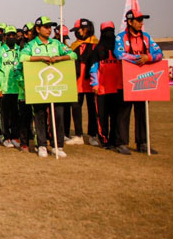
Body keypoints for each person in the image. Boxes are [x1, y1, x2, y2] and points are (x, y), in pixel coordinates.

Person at [20, 16, 77, 158]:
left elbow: (73, 54)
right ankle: (42, 145)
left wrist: (59, 58)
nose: (49, 30)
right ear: (38, 29)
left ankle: (58, 145)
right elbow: (22, 57)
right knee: (39, 115)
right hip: (39, 87)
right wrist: (40, 58)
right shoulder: (32, 45)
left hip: (55, 87)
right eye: (45, 27)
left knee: (57, 115)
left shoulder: (57, 44)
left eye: (50, 27)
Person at [114, 9, 162, 155]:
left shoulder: (146, 37)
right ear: (129, 21)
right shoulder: (120, 37)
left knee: (143, 112)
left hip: (143, 81)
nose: (141, 23)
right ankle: (121, 143)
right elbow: (119, 54)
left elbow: (159, 53)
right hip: (125, 81)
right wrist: (138, 59)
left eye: (142, 20)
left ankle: (143, 142)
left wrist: (148, 58)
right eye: (138, 20)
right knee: (123, 113)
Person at [90, 21, 126, 153]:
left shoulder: (119, 49)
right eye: (107, 31)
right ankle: (104, 140)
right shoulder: (97, 50)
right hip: (102, 89)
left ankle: (115, 139)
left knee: (117, 116)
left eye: (111, 30)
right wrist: (94, 84)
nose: (109, 34)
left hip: (118, 87)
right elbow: (93, 68)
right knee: (102, 116)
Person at [67, 18, 99, 146]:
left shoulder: (96, 44)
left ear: (86, 29)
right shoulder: (74, 46)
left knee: (93, 109)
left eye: (78, 30)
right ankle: (78, 135)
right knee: (75, 109)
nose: (77, 33)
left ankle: (93, 135)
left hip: (91, 83)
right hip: (76, 83)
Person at [0, 26, 23, 149]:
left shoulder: (20, 51)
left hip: (17, 89)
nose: (11, 38)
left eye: (13, 35)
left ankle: (15, 136)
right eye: (9, 35)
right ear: (5, 37)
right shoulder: (0, 52)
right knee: (4, 115)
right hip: (4, 89)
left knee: (16, 115)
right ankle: (5, 137)